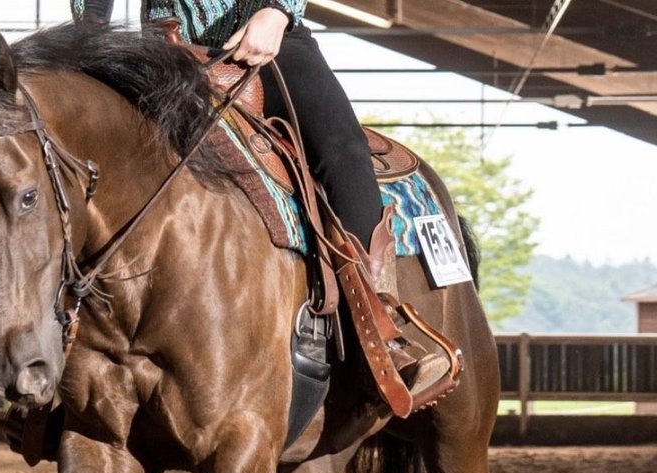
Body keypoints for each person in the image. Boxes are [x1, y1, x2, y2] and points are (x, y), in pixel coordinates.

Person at [71, 0, 456, 405]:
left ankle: (382, 329)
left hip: (263, 38)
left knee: (342, 149)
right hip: (153, 53)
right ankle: (64, 353)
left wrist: (277, 13)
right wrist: (89, 32)